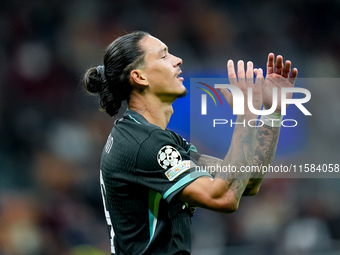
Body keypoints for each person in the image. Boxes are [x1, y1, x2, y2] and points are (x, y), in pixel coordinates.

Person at [83, 30, 298, 255]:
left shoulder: (153, 137)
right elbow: (224, 197)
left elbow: (247, 181)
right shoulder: (143, 143)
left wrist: (274, 111)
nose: (178, 60)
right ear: (140, 77)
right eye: (164, 56)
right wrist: (245, 114)